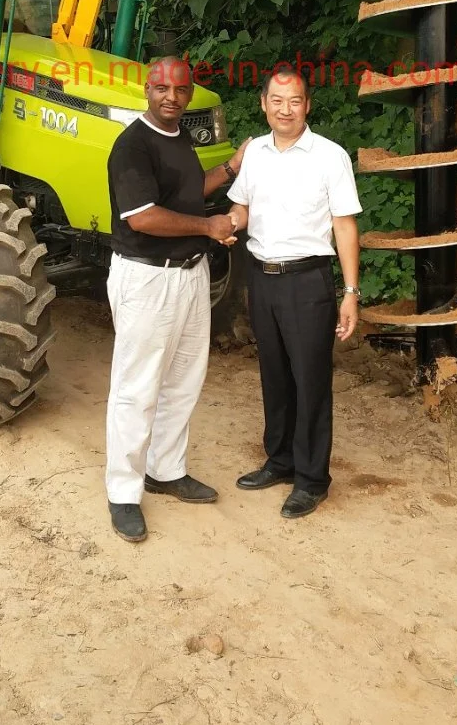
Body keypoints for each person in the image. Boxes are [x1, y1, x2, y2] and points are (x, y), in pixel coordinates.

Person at [105, 56, 249, 544]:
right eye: (162, 88)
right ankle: (123, 492)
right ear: (148, 89)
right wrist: (210, 226)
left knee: (185, 378)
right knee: (137, 386)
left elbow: (187, 191)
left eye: (180, 90)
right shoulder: (132, 146)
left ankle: (165, 470)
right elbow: (143, 216)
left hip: (189, 276)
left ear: (189, 94)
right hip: (148, 279)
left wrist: (231, 167)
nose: (171, 97)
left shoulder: (179, 137)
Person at [227, 68, 361, 520]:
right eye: (278, 100)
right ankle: (280, 461)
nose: (286, 109)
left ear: (308, 105)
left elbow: (344, 225)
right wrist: (224, 225)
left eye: (295, 101)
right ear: (264, 103)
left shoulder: (329, 157)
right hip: (261, 277)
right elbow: (241, 206)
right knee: (275, 376)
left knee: (311, 381)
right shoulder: (256, 155)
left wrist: (350, 292)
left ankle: (311, 480)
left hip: (307, 283)